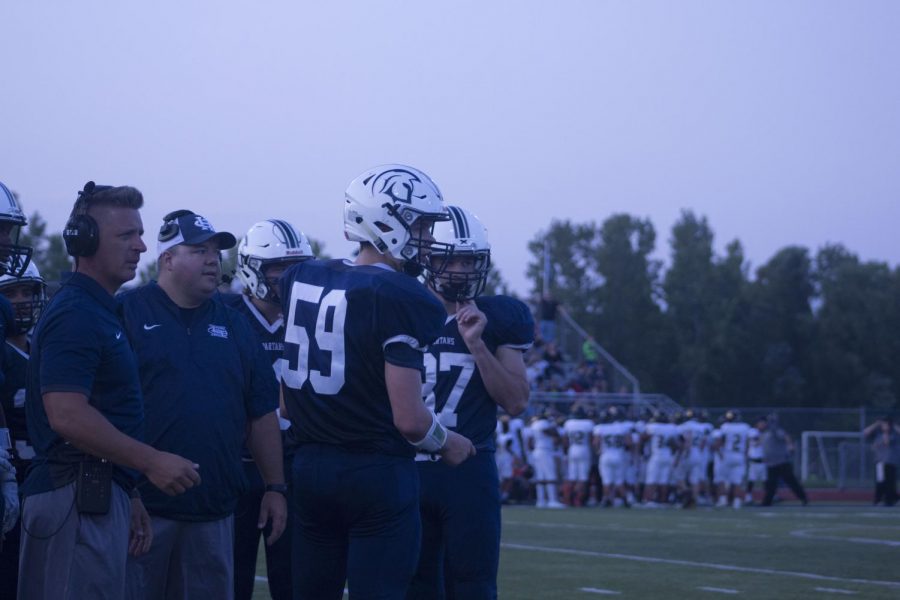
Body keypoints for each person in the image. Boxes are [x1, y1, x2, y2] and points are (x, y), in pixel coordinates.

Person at [281, 164, 475, 600]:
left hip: (309, 470)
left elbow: (287, 403)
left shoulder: (303, 276)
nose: (427, 236)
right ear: (386, 221)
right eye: (420, 223)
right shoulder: (404, 297)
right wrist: (449, 442)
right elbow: (410, 420)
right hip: (375, 474)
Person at [19, 182, 201, 600]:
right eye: (126, 235)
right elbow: (66, 414)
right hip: (73, 500)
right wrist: (151, 460)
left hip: (94, 493)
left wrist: (128, 485)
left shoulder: (99, 309)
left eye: (139, 233)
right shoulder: (77, 315)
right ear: (84, 241)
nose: (140, 245)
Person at [120, 210, 286, 600]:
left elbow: (261, 411)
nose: (213, 259)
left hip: (213, 510)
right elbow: (106, 409)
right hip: (143, 508)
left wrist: (275, 486)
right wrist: (125, 492)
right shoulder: (127, 312)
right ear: (167, 259)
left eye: (216, 251)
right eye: (199, 250)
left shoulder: (234, 323)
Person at [407, 206, 533, 599]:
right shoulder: (399, 306)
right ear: (427, 261)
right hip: (404, 467)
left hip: (469, 470)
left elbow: (515, 402)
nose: (460, 271)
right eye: (450, 260)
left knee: (474, 586)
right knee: (413, 587)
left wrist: (477, 343)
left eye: (469, 261)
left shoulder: (498, 316)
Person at [226, 219, 314, 600]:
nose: (289, 278)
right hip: (233, 466)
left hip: (293, 465)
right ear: (252, 268)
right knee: (229, 579)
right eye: (279, 267)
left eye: (297, 269)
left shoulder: (313, 315)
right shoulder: (223, 314)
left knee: (295, 582)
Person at [0, 262, 46, 595]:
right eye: (11, 293)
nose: (22, 301)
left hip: (42, 488)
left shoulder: (45, 348)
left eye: (27, 291)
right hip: (9, 483)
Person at [759, 414, 808, 507]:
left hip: (781, 462)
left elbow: (785, 436)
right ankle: (767, 502)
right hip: (771, 463)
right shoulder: (765, 433)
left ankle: (803, 498)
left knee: (791, 482)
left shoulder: (775, 431)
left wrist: (790, 446)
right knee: (770, 484)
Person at [713, 410, 751, 509]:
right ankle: (737, 502)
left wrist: (720, 455)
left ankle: (723, 500)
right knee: (737, 481)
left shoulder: (725, 427)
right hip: (740, 455)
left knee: (722, 478)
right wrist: (746, 456)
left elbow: (719, 443)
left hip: (728, 455)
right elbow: (747, 443)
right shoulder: (745, 427)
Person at [863, 416, 900, 506]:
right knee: (880, 481)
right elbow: (866, 432)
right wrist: (876, 424)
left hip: (890, 462)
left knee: (890, 483)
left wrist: (891, 427)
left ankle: (890, 500)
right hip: (880, 462)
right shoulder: (877, 434)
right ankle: (879, 499)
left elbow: (887, 442)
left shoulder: (893, 434)